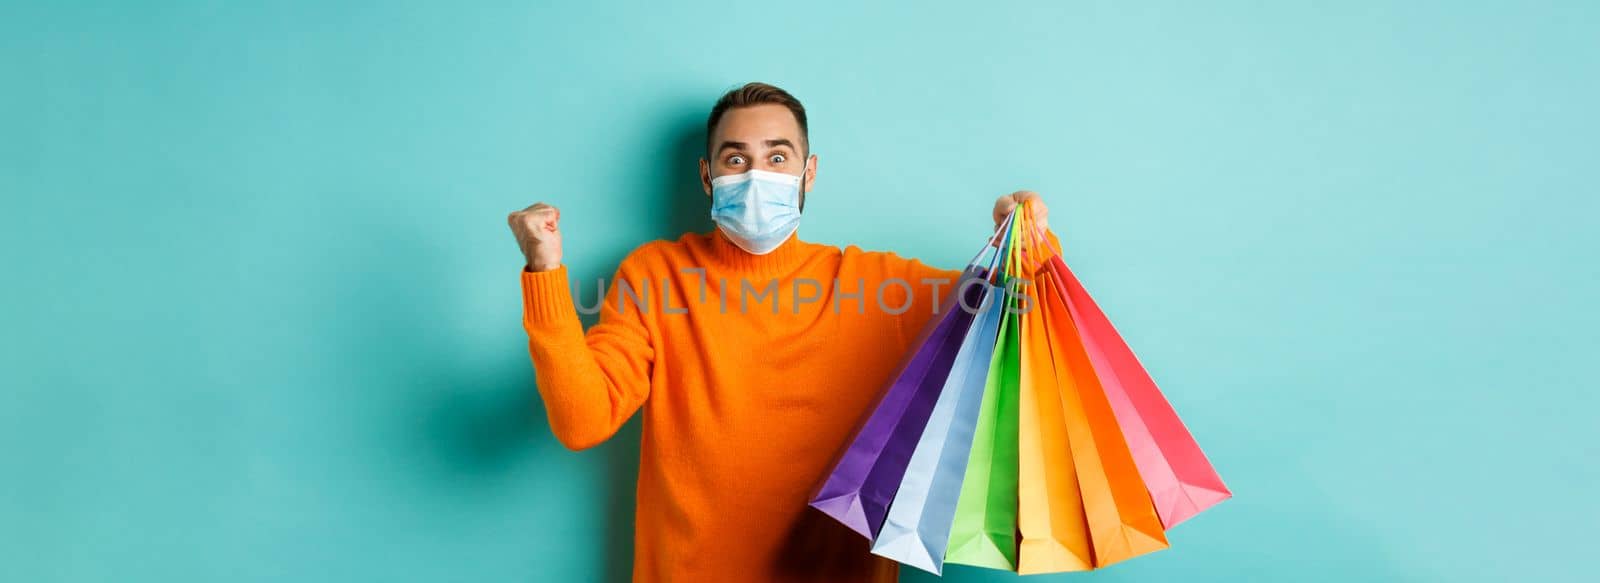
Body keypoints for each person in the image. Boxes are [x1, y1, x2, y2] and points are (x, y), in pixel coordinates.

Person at [506, 82, 1050, 582]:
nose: (756, 175)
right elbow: (581, 420)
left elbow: (1017, 315)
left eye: (777, 157)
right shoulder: (654, 276)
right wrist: (545, 271)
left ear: (808, 174)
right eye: (736, 158)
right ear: (707, 176)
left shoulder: (879, 287)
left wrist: (1024, 239)